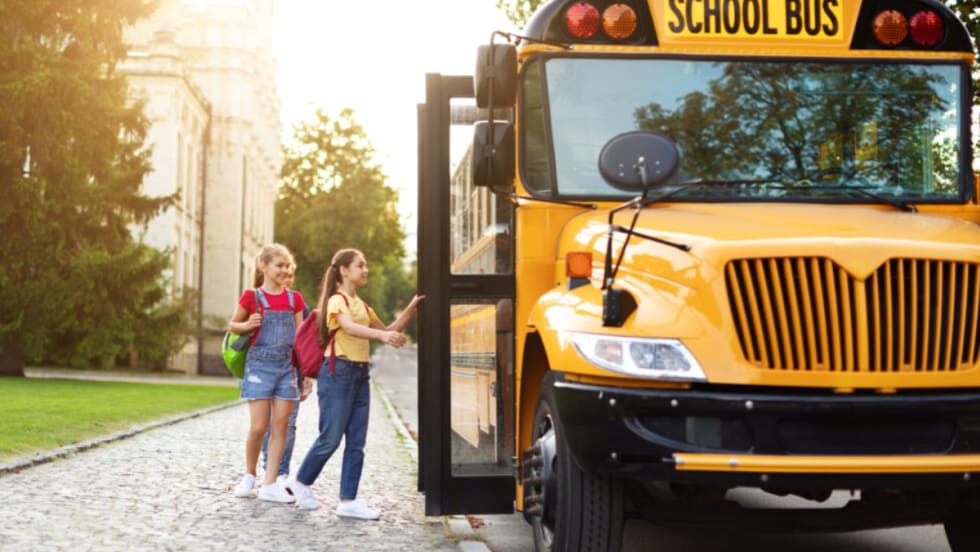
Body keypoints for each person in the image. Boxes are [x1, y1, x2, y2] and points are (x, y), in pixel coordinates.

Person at [290, 248, 424, 518]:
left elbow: (387, 331)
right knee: (330, 438)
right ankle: (301, 481)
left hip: (360, 375)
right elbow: (349, 328)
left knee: (357, 442)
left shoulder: (362, 305)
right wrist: (382, 337)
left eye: (366, 265)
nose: (366, 270)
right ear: (343, 270)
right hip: (338, 372)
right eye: (360, 265)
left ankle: (348, 501)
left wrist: (410, 309)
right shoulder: (336, 301)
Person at [229, 243, 306, 503]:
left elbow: (300, 339)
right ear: (264, 267)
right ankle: (249, 474)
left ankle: (270, 483)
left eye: (288, 265)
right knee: (258, 427)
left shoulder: (295, 299)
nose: (285, 270)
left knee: (280, 425)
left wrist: (304, 374)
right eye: (279, 265)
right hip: (259, 366)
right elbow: (232, 325)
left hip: (287, 368)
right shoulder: (251, 297)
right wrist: (246, 324)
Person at [260, 266, 313, 485]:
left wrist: (307, 376)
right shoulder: (259, 300)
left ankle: (280, 472)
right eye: (284, 273)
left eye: (291, 276)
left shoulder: (301, 307)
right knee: (266, 423)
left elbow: (307, 343)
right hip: (264, 369)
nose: (287, 279)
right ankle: (268, 469)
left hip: (293, 372)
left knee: (288, 424)